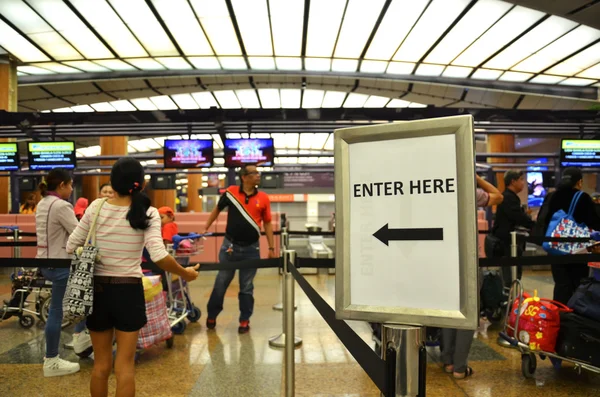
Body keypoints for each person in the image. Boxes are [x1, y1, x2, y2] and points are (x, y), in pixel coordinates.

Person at [66, 157, 200, 397]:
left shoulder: (96, 207)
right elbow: (159, 255)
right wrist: (185, 273)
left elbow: (71, 245)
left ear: (113, 182)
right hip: (128, 291)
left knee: (100, 365)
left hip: (97, 291)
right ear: (141, 183)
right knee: (125, 366)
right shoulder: (147, 213)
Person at [440, 175, 503, 379]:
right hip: (466, 259)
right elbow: (498, 196)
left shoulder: (436, 189)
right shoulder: (467, 190)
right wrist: (475, 178)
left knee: (449, 310)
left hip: (442, 259)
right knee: (467, 313)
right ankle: (460, 368)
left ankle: (448, 361)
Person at [204, 164, 276, 334]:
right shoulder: (231, 192)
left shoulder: (264, 198)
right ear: (244, 177)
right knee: (221, 282)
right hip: (230, 247)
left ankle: (245, 320)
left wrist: (271, 246)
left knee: (247, 286)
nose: (258, 176)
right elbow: (217, 209)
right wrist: (206, 226)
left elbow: (266, 223)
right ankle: (212, 315)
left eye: (258, 173)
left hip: (252, 249)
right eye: (254, 173)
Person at [35, 169, 89, 377]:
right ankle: (53, 359)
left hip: (46, 263)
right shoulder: (61, 206)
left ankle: (79, 336)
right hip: (60, 265)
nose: (72, 188)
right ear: (61, 186)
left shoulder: (43, 203)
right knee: (60, 310)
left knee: (59, 309)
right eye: (70, 184)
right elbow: (78, 234)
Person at [539, 167, 600, 304]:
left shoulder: (551, 196)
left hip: (555, 247)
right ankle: (575, 316)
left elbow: (541, 220)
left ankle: (559, 315)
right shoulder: (582, 197)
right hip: (577, 249)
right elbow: (595, 222)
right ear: (579, 182)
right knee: (578, 284)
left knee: (561, 285)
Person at [491, 171, 535, 286]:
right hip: (508, 243)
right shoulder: (508, 197)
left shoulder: (509, 196)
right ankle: (510, 299)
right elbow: (518, 217)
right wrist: (534, 224)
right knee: (511, 275)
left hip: (509, 242)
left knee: (511, 273)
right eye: (521, 179)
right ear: (513, 181)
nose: (523, 182)